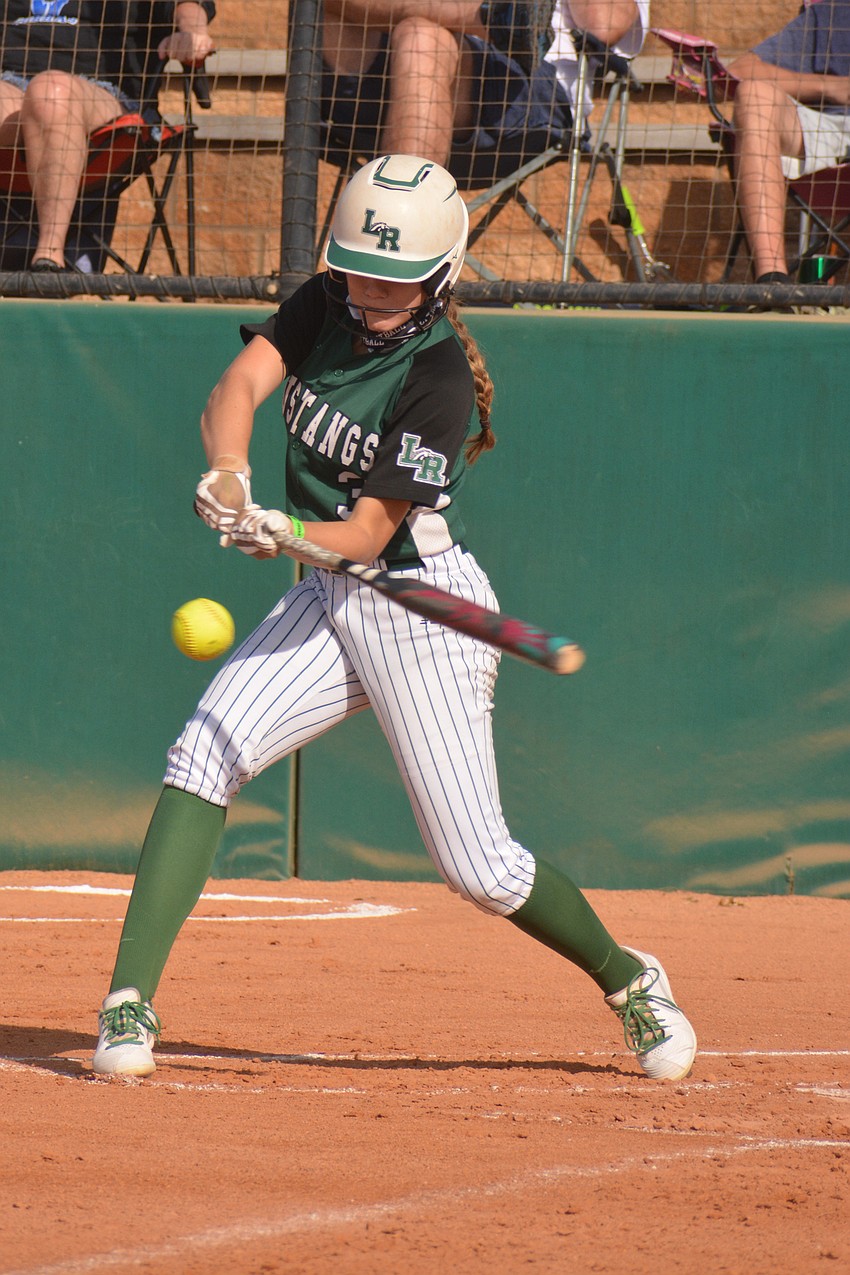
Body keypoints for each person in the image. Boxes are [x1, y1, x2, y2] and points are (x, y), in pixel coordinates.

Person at [91, 153, 697, 1085]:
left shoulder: (439, 377)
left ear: (440, 278)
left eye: (395, 279)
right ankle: (128, 1000)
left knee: (482, 868)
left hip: (419, 609)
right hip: (329, 594)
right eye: (359, 270)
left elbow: (367, 534)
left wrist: (278, 528)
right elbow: (236, 393)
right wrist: (229, 476)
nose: (370, 292)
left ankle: (629, 978)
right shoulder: (323, 304)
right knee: (204, 748)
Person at [322, 1, 649, 184]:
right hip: (377, 74)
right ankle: (492, 16)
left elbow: (603, 23)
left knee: (423, 38)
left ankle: (398, 231)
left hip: (526, 81)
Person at [0, 0, 214, 272]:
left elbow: (188, 5)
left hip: (105, 93)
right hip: (12, 84)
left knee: (49, 91)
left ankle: (50, 256)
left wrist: (193, 32)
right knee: (42, 94)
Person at [728, 0, 850, 283]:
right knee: (754, 96)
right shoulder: (833, 12)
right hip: (831, 127)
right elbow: (741, 70)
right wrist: (829, 86)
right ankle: (773, 282)